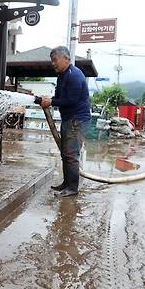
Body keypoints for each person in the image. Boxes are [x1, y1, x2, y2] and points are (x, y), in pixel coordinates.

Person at [40, 46, 91, 197]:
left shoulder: (74, 75)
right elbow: (58, 97)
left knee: (71, 154)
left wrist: (51, 102)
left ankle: (72, 188)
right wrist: (49, 100)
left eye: (55, 60)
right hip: (69, 119)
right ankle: (66, 184)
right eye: (52, 61)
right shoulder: (62, 76)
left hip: (77, 120)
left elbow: (71, 100)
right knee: (65, 153)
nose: (53, 64)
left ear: (66, 59)